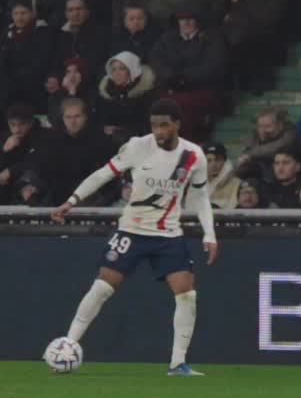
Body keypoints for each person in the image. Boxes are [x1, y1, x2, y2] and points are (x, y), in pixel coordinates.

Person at [48, 98, 218, 377]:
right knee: (102, 287)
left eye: (164, 125)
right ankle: (68, 344)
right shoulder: (138, 146)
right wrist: (71, 200)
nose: (159, 131)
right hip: (131, 230)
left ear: (177, 124)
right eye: (154, 125)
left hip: (168, 234)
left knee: (187, 294)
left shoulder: (193, 156)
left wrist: (210, 234)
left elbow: (199, 197)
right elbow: (103, 174)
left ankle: (178, 364)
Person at [149, 4, 229, 139]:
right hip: (171, 87)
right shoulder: (166, 39)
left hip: (202, 88)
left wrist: (185, 77)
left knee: (185, 107)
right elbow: (157, 62)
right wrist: (172, 77)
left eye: (190, 19)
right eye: (182, 19)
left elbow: (214, 65)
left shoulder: (213, 38)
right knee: (162, 106)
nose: (186, 22)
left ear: (198, 21)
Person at [0, 0, 53, 115]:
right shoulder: (6, 35)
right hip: (9, 88)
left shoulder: (43, 33)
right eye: (16, 13)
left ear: (32, 14)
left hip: (34, 87)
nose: (19, 17)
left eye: (23, 13)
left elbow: (43, 62)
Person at [98, 51, 156, 144]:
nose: (116, 73)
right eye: (113, 69)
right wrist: (105, 128)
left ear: (132, 70)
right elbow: (103, 120)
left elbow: (147, 125)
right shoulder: (108, 92)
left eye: (122, 69)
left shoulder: (146, 94)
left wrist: (120, 130)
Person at [202, 141, 240, 208]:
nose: (213, 165)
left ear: (224, 161)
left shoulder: (236, 184)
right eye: (209, 160)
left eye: (218, 160)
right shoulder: (196, 183)